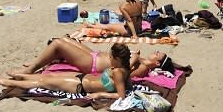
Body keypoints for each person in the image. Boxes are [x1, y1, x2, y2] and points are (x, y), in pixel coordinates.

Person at [0, 43, 133, 100]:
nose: (108, 59)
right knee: (49, 75)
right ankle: (20, 75)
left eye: (110, 57)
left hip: (79, 86)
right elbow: (127, 86)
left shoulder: (118, 73)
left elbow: (121, 96)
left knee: (43, 82)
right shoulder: (124, 69)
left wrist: (99, 95)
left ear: (117, 59)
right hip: (83, 77)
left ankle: (10, 83)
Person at [10, 36, 174, 78]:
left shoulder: (144, 67)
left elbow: (124, 73)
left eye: (158, 53)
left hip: (94, 64)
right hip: (96, 55)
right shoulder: (143, 61)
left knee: (58, 44)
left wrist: (135, 58)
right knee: (67, 39)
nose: (156, 51)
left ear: (158, 63)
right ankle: (36, 63)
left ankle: (31, 70)